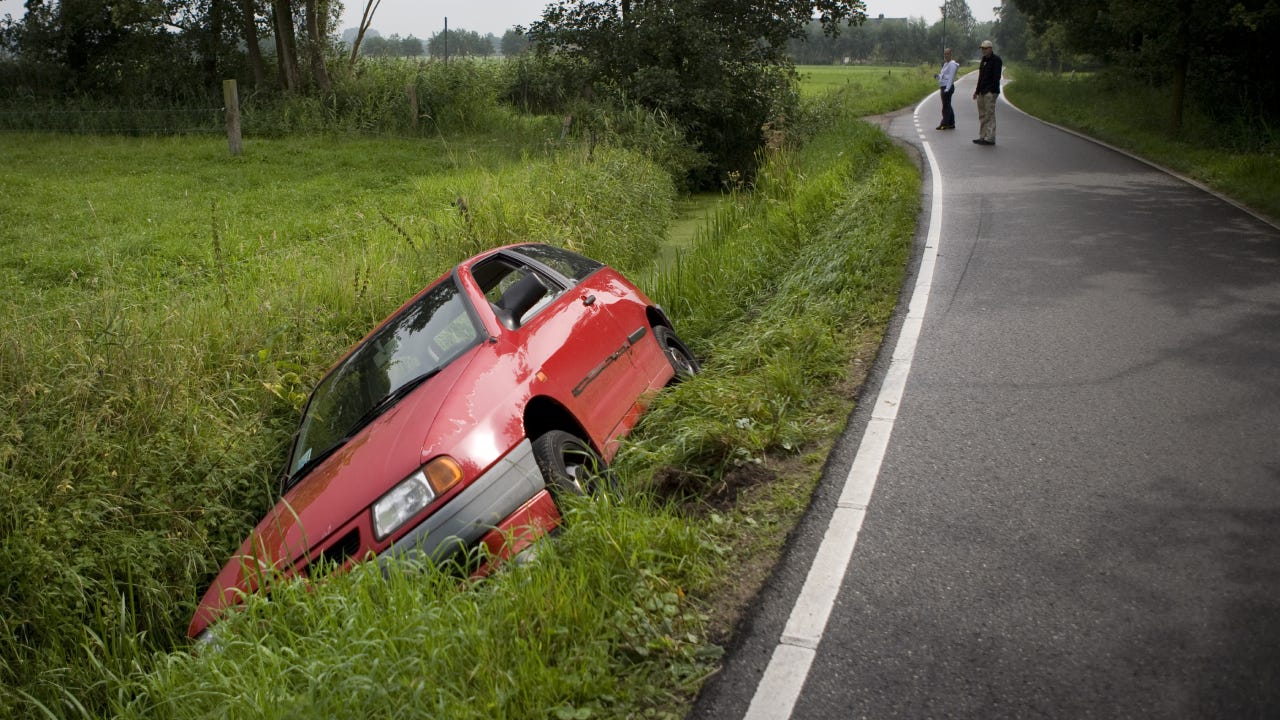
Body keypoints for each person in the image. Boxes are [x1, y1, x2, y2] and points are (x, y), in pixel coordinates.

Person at [972, 40, 1002, 145]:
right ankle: (982, 136)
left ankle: (990, 138)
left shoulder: (996, 60)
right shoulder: (983, 60)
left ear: (990, 49)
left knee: (990, 114)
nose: (983, 51)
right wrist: (977, 90)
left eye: (985, 48)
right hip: (981, 91)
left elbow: (996, 77)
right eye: (982, 49)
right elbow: (981, 77)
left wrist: (991, 91)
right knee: (982, 115)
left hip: (990, 92)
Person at [935, 48, 959, 130]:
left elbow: (951, 77)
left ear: (951, 55)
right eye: (945, 54)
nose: (946, 55)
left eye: (948, 54)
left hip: (947, 87)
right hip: (943, 86)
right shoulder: (946, 64)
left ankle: (944, 123)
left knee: (945, 106)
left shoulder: (952, 64)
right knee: (948, 105)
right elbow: (943, 76)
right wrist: (938, 77)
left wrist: (947, 88)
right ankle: (951, 123)